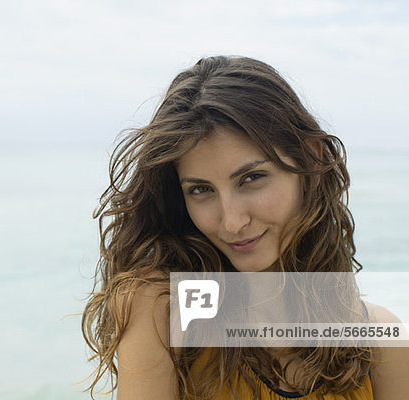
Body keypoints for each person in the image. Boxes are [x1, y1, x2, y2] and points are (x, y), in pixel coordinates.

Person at [81, 56, 409, 399]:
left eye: (251, 178)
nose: (232, 222)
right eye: (201, 190)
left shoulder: (379, 341)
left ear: (311, 159)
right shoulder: (163, 308)